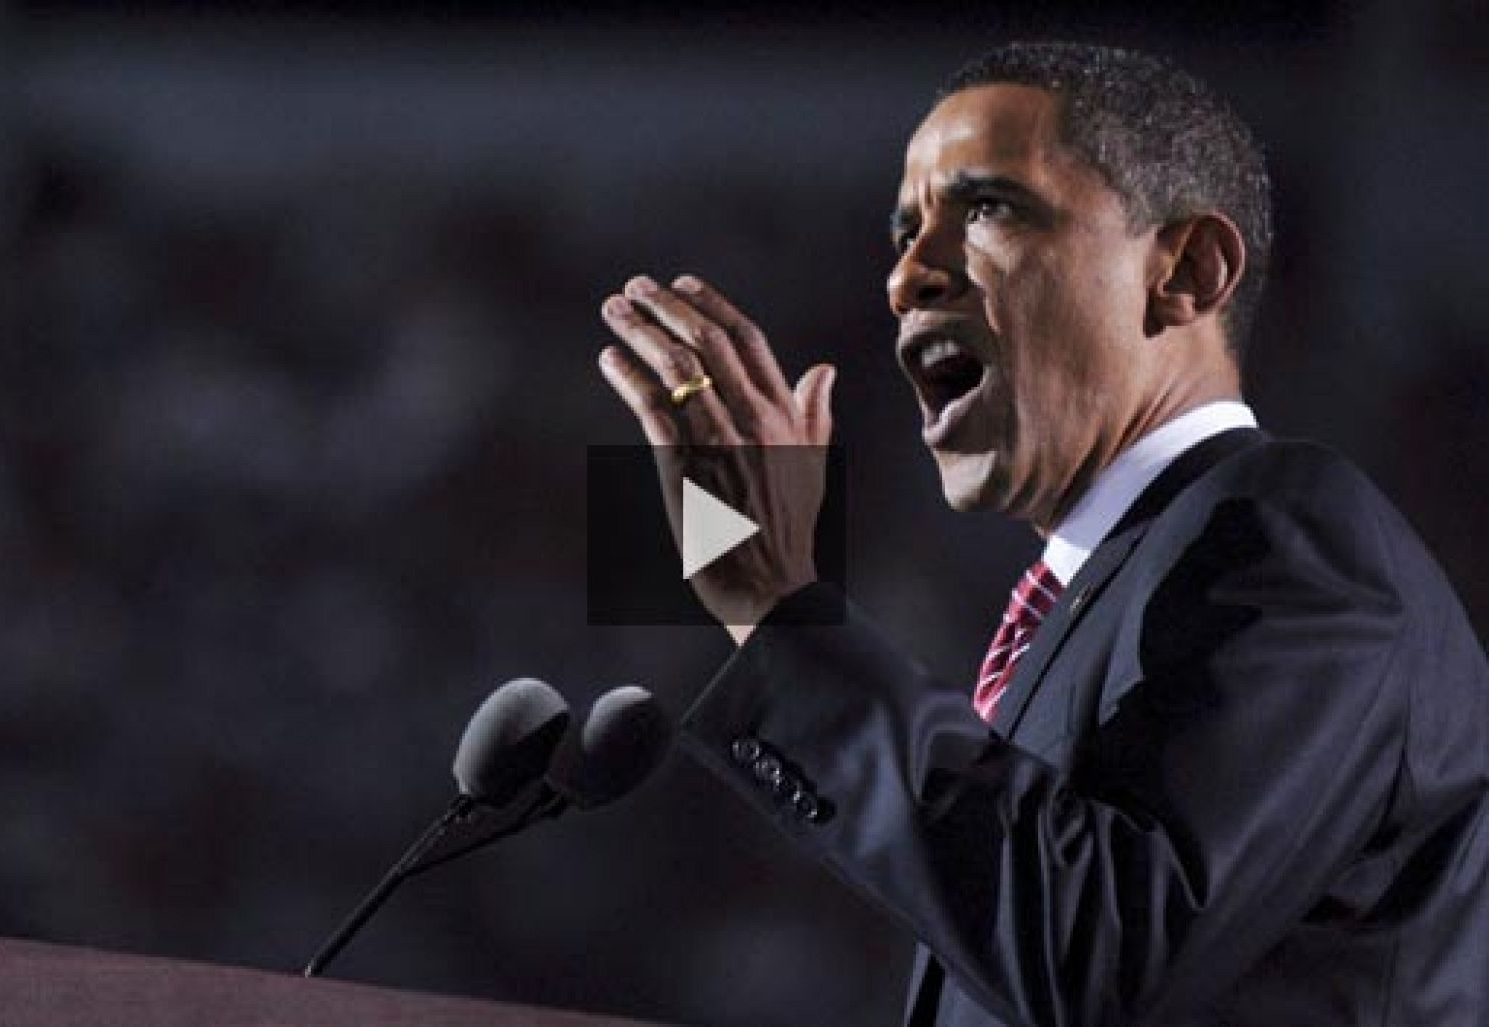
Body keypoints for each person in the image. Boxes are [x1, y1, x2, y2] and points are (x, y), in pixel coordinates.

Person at [597, 41, 1489, 1026]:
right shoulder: (1101, 594)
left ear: (1186, 271)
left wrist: (778, 604)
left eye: (986, 207)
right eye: (903, 230)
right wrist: (744, 580)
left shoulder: (1291, 535)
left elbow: (1095, 950)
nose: (906, 276)